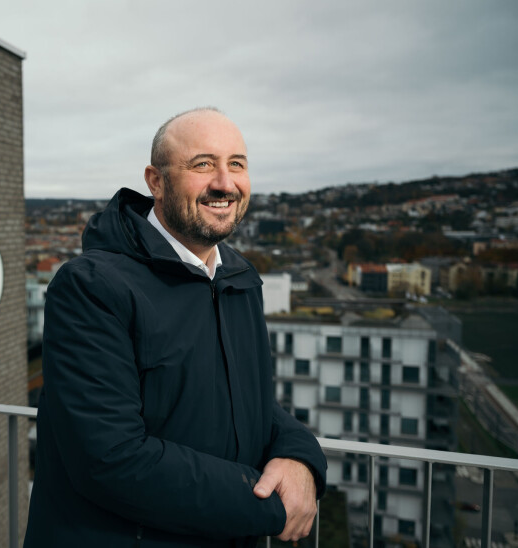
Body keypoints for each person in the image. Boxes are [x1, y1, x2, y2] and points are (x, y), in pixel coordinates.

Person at [23, 107, 328, 547]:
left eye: (237, 164)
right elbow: (111, 460)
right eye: (203, 164)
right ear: (156, 181)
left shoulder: (239, 279)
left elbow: (250, 404)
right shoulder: (91, 287)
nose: (225, 182)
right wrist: (270, 505)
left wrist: (301, 457)